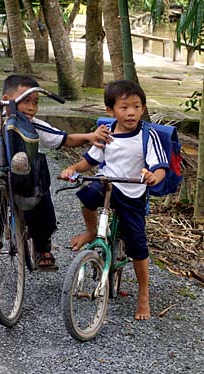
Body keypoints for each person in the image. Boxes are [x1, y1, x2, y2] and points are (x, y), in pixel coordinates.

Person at [0, 74, 111, 282]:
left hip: (29, 175)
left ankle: (42, 246)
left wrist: (89, 137)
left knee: (40, 200)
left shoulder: (36, 125)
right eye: (25, 101)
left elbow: (65, 139)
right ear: (6, 99)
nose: (32, 107)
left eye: (35, 102)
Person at [60, 79, 168, 320]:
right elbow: (89, 161)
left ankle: (143, 294)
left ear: (143, 108)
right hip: (108, 184)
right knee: (86, 194)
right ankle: (91, 231)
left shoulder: (147, 136)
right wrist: (72, 169)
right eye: (124, 107)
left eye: (136, 106)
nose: (131, 112)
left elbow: (161, 167)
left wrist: (153, 176)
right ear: (110, 110)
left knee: (137, 245)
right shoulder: (106, 134)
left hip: (132, 193)